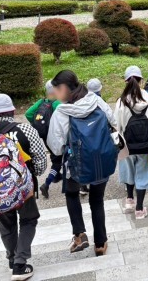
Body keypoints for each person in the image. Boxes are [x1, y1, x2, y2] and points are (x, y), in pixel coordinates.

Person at [0, 94, 47, 281]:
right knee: (29, 220)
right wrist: (31, 175)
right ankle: (20, 264)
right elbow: (41, 161)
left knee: (6, 225)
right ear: (12, 111)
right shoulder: (25, 130)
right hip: (24, 190)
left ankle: (13, 259)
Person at [47, 70, 116, 256]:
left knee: (71, 194)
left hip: (76, 164)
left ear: (63, 88)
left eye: (56, 90)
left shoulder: (62, 112)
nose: (55, 94)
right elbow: (113, 120)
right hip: (101, 159)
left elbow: (56, 146)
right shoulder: (96, 100)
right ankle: (100, 243)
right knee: (97, 200)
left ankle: (79, 235)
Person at [115, 66, 148, 220]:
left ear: (125, 81)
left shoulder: (121, 101)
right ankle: (140, 209)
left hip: (127, 145)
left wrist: (119, 145)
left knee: (128, 171)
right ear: (141, 81)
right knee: (143, 174)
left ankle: (129, 201)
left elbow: (117, 126)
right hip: (146, 144)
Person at [25, 81, 62, 200]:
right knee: (59, 161)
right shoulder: (58, 104)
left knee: (55, 156)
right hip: (56, 137)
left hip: (45, 137)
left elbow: (28, 113)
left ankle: (57, 175)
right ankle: (46, 184)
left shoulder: (41, 102)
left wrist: (36, 124)